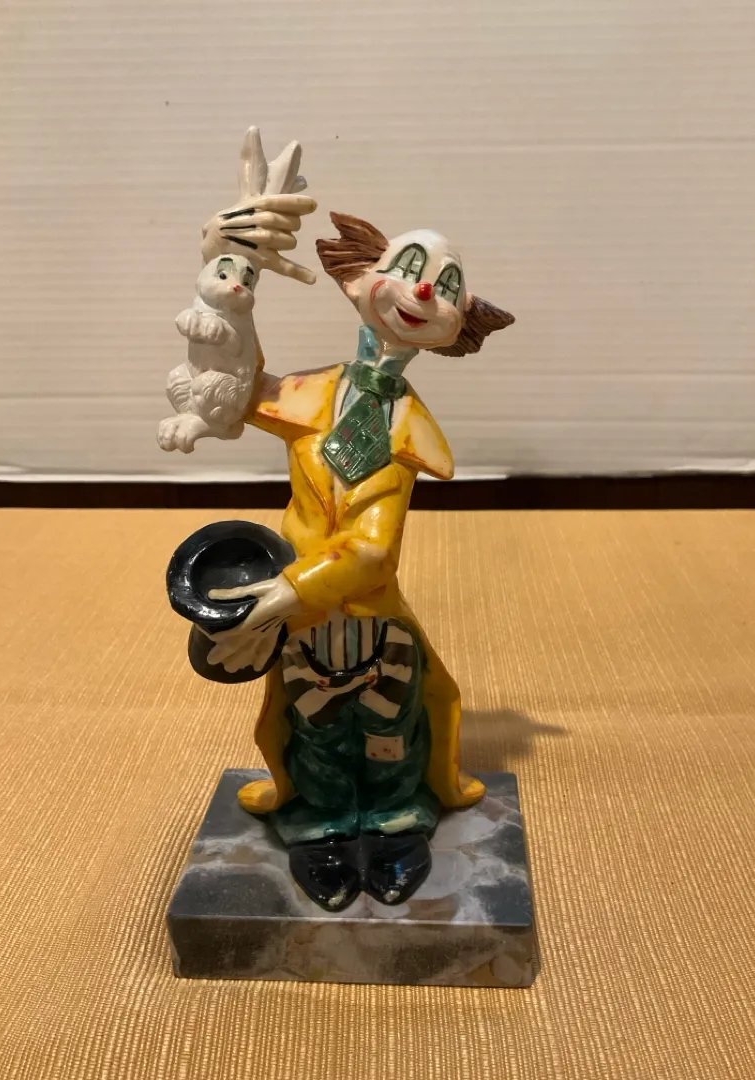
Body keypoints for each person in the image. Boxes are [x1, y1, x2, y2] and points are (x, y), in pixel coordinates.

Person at [185, 140, 515, 910]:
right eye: (409, 267)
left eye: (446, 287)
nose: (423, 289)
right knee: (315, 732)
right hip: (303, 623)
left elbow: (372, 552)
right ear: (359, 275)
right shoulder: (311, 395)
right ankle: (325, 825)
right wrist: (228, 277)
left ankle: (396, 824)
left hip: (363, 616)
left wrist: (280, 596)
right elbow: (231, 391)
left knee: (391, 725)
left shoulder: (409, 433)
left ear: (459, 325)